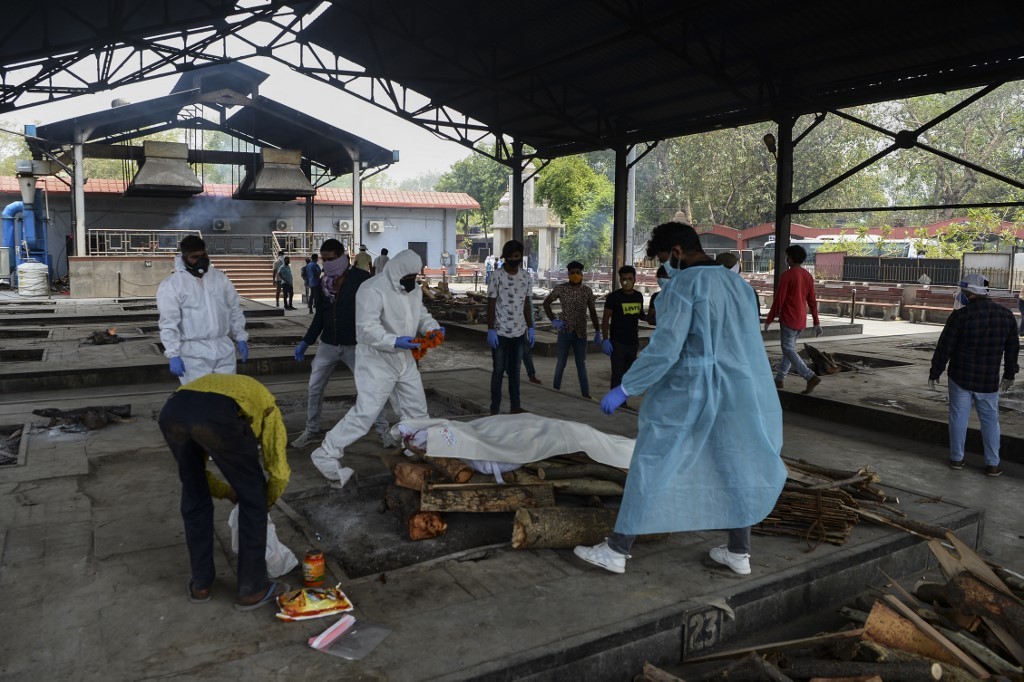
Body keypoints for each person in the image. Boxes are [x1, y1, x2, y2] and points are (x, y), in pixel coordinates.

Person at [575, 221, 786, 576]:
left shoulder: (684, 287)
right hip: (739, 389)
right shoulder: (739, 286)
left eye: (664, 259)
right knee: (735, 462)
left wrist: (627, 387)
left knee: (652, 460)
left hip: (690, 389)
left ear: (675, 252)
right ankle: (739, 551)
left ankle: (617, 549)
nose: (666, 268)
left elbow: (666, 349)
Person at [310, 250, 444, 487]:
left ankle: (415, 447)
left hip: (404, 358)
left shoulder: (411, 287)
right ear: (397, 271)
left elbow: (420, 314)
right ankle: (326, 452)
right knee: (366, 413)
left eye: (416, 275)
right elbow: (366, 329)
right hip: (376, 360)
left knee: (416, 407)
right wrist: (394, 341)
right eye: (410, 275)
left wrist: (432, 327)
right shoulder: (372, 289)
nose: (413, 279)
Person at [158, 373, 291, 610]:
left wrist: (228, 492)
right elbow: (279, 471)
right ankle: (252, 589)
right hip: (217, 416)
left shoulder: (232, 388)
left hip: (172, 412)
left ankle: (200, 584)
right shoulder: (269, 406)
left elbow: (199, 475)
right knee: (253, 495)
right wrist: (264, 501)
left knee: (193, 491)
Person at [291, 240, 396, 449]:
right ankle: (311, 430)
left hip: (356, 345)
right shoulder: (323, 283)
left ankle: (383, 431)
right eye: (324, 259)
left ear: (344, 257)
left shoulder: (362, 280)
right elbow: (320, 316)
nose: (327, 263)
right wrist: (306, 341)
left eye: (331, 259)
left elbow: (380, 310)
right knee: (314, 387)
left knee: (369, 389)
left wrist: (383, 339)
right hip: (328, 343)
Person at [928, 274, 1018, 477]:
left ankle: (957, 459)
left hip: (961, 376)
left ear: (971, 292)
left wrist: (936, 371)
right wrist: (1009, 374)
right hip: (988, 380)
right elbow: (1012, 349)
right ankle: (993, 464)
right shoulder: (1006, 316)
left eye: (964, 291)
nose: (962, 294)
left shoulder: (960, 316)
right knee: (990, 420)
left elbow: (945, 347)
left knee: (958, 417)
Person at [157, 235, 248, 385]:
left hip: (223, 349)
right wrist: (173, 353)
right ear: (184, 257)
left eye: (203, 255)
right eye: (195, 257)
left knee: (226, 397)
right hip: (193, 355)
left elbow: (234, 309)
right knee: (199, 401)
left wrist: (241, 337)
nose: (201, 260)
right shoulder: (173, 285)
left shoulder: (220, 278)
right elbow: (168, 322)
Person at [763, 244, 823, 394]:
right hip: (801, 319)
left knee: (788, 349)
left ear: (790, 258)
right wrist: (816, 321)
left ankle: (809, 376)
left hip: (789, 318)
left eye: (787, 256)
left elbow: (779, 300)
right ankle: (780, 378)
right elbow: (812, 301)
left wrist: (769, 319)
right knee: (789, 350)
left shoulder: (787, 275)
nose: (786, 259)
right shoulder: (807, 276)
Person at [486, 240, 535, 415]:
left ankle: (515, 406)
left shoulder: (526, 277)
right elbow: (491, 303)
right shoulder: (497, 276)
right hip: (499, 332)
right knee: (498, 370)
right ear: (506, 256)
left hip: (519, 332)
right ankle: (495, 408)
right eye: (511, 256)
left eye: (517, 256)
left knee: (515, 371)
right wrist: (490, 328)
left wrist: (530, 327)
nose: (515, 259)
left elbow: (526, 304)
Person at [543, 261, 602, 399]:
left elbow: (592, 311)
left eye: (578, 273)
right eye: (572, 273)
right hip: (565, 331)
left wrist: (598, 331)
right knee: (561, 363)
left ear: (582, 274)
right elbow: (546, 303)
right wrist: (554, 320)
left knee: (581, 364)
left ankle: (586, 394)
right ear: (568, 274)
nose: (575, 275)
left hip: (581, 333)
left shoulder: (587, 291)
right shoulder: (561, 289)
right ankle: (555, 390)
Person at [601, 265, 645, 399]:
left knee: (628, 373)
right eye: (624, 279)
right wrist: (605, 339)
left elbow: (640, 314)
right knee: (617, 373)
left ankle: (622, 400)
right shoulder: (614, 297)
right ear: (620, 280)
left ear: (635, 279)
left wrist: (654, 318)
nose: (627, 281)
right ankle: (616, 401)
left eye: (630, 278)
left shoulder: (638, 296)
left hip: (632, 342)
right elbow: (606, 318)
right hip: (617, 342)